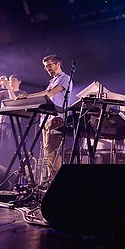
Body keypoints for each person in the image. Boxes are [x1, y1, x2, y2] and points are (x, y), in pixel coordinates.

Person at [26, 55, 71, 184]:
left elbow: (50, 93)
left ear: (58, 64)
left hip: (56, 120)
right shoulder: (52, 81)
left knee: (52, 154)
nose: (48, 69)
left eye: (50, 66)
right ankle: (52, 183)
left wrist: (29, 96)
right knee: (48, 155)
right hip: (47, 120)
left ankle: (58, 184)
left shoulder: (65, 78)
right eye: (46, 67)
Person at [0, 75, 26, 167]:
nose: (11, 82)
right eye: (9, 80)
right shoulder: (4, 92)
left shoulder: (22, 93)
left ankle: (10, 167)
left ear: (19, 81)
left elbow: (15, 101)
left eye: (13, 80)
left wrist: (9, 88)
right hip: (1, 123)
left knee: (10, 147)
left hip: (13, 124)